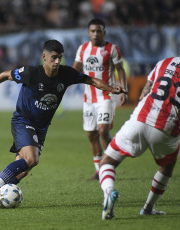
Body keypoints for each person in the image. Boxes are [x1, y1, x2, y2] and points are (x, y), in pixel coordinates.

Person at [0, 39, 126, 208]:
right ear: (44, 57)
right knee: (31, 159)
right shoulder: (31, 73)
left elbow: (91, 81)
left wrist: (111, 89)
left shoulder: (67, 74)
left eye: (60, 57)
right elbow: (5, 75)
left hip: (42, 127)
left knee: (24, 169)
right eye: (54, 57)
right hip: (23, 120)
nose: (57, 61)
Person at [99, 33, 180, 220]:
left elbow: (144, 92)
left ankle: (109, 192)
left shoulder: (163, 63)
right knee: (168, 166)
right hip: (166, 129)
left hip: (139, 121)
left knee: (107, 162)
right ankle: (148, 208)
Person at [73, 18, 127, 180]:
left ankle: (109, 163)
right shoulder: (82, 49)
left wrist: (124, 89)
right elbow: (74, 71)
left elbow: (120, 69)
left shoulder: (112, 49)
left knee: (103, 130)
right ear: (88, 32)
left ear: (104, 32)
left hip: (106, 96)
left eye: (99, 31)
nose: (96, 34)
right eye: (93, 31)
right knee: (91, 135)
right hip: (88, 99)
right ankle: (99, 171)